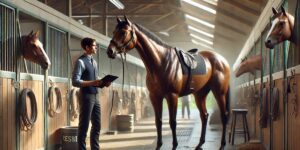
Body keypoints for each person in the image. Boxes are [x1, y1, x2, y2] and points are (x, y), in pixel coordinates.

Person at [72, 37, 111, 150]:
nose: (96, 47)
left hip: (95, 96)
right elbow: (75, 81)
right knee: (84, 126)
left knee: (97, 125)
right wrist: (94, 82)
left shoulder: (94, 62)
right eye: (94, 45)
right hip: (86, 96)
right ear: (87, 47)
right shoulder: (80, 61)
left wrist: (103, 83)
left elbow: (94, 79)